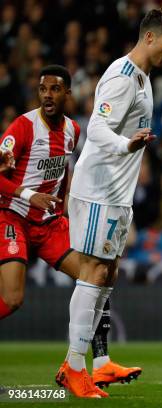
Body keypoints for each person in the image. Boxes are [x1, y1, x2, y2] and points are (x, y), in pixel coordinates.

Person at [56, 9, 162, 398]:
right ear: (149, 37)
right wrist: (124, 144)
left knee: (107, 275)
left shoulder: (143, 78)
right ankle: (73, 367)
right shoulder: (123, 77)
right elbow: (96, 127)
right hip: (98, 189)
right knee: (92, 273)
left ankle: (98, 364)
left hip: (117, 192)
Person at [0, 65, 135, 398]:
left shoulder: (74, 131)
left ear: (67, 94)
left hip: (48, 224)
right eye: (43, 89)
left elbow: (63, 177)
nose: (47, 95)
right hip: (13, 217)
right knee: (13, 299)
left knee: (97, 275)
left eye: (55, 89)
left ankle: (99, 362)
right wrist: (31, 196)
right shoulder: (22, 127)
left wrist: (63, 208)